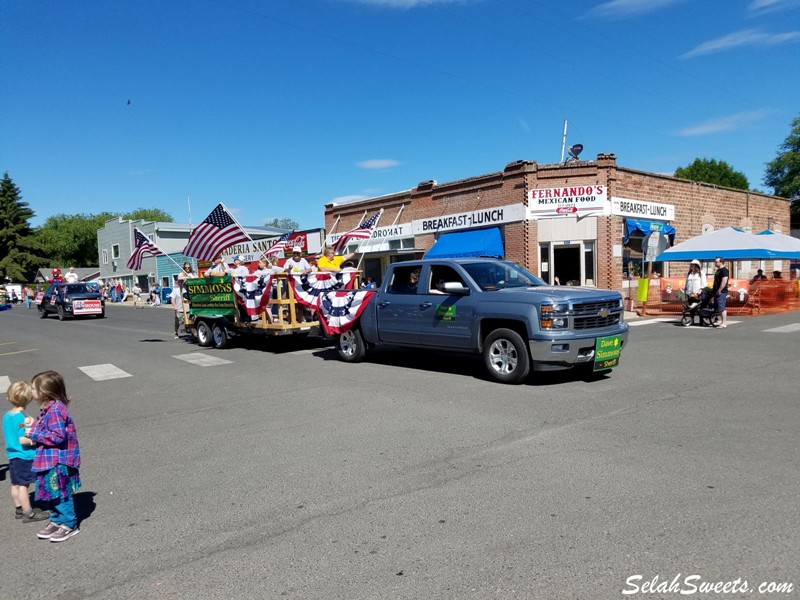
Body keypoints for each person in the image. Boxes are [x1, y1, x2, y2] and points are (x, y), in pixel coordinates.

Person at [20, 371, 82, 542]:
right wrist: (36, 425)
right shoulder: (49, 409)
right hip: (48, 459)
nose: (31, 391)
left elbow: (57, 436)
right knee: (50, 491)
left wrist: (33, 433)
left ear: (46, 391)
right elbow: (48, 430)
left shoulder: (56, 410)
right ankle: (56, 520)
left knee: (61, 492)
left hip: (58, 460)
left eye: (34, 388)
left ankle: (69, 524)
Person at [3, 381, 49, 523]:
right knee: (24, 485)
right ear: (29, 399)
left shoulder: (7, 415)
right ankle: (28, 512)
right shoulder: (20, 418)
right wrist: (34, 441)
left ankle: (19, 508)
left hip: (12, 454)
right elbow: (22, 439)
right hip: (24, 455)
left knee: (15, 483)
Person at [711, 256, 729, 328]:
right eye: (715, 262)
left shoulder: (724, 270)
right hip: (716, 291)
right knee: (718, 307)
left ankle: (724, 323)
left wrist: (719, 290)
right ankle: (721, 321)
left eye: (716, 262)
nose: (715, 263)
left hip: (721, 292)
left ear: (721, 262)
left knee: (721, 307)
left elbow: (724, 281)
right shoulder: (718, 270)